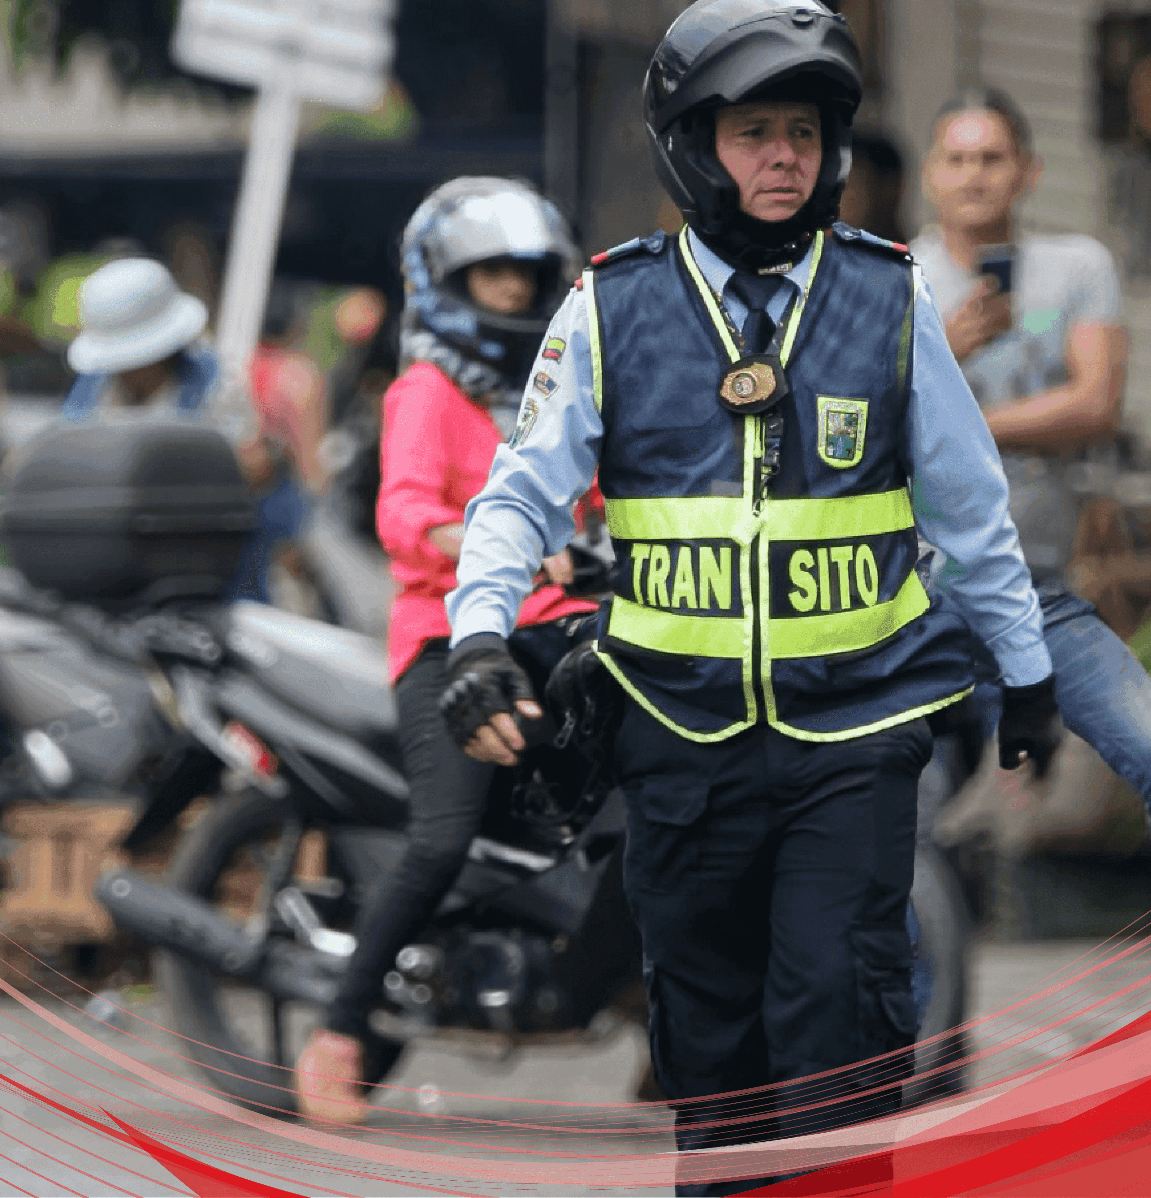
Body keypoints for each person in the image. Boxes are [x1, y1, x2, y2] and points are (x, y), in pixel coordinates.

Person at [435, 4, 1062, 1193]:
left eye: (806, 133)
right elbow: (518, 499)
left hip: (858, 733)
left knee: (838, 1020)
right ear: (689, 144)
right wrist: (477, 637)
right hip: (678, 739)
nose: (784, 158)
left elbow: (973, 513)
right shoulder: (611, 306)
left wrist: (1026, 672)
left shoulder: (888, 299)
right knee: (710, 1054)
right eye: (752, 133)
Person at [909, 88, 1151, 967]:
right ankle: (913, 1057)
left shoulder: (1076, 267)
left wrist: (956, 418)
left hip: (1039, 596)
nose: (975, 176)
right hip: (908, 603)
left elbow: (1098, 404)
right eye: (957, 159)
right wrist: (946, 355)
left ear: (1026, 171)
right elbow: (865, 429)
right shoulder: (891, 279)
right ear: (929, 176)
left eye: (992, 158)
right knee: (896, 833)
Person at [293, 177, 600, 1123]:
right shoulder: (424, 391)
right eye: (489, 270)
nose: (511, 287)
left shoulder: (556, 388)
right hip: (445, 643)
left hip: (558, 630)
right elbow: (402, 518)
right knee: (440, 838)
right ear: (444, 281)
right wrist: (505, 543)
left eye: (526, 270)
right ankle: (338, 1034)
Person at [59, 257, 301, 604]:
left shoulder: (218, 383)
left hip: (200, 569)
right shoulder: (92, 387)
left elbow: (253, 467)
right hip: (109, 565)